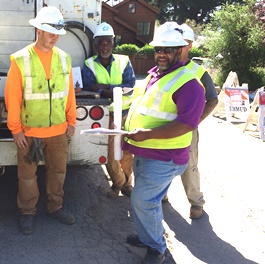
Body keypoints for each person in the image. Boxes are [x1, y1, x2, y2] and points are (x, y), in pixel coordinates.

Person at [124, 23, 205, 264]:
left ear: (181, 51)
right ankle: (150, 236)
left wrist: (146, 134)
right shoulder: (154, 74)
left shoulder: (189, 83)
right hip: (146, 153)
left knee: (143, 201)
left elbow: (186, 124)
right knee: (146, 201)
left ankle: (157, 248)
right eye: (159, 49)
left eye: (168, 50)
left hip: (164, 157)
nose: (161, 54)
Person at [4, 6, 76, 235]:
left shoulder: (64, 59)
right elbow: (12, 98)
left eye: (57, 32)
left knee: (58, 172)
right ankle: (27, 211)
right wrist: (16, 130)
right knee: (27, 175)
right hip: (31, 133)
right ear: (38, 30)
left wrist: (71, 121)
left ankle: (55, 207)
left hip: (58, 132)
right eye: (49, 31)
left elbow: (69, 93)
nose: (54, 36)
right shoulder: (21, 59)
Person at [162, 23, 218, 220]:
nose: (178, 47)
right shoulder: (165, 67)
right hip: (164, 124)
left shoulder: (198, 71)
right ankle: (162, 195)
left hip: (187, 128)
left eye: (184, 43)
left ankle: (196, 202)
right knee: (162, 160)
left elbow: (212, 99)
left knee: (189, 164)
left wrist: (195, 121)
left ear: (190, 45)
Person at [82, 22, 135, 198]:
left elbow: (129, 86)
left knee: (127, 152)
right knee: (111, 152)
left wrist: (104, 88)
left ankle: (127, 185)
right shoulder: (89, 64)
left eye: (108, 42)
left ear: (113, 44)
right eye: (101, 43)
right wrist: (114, 89)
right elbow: (89, 86)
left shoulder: (123, 61)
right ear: (95, 45)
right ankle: (118, 183)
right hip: (107, 114)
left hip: (126, 113)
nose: (105, 46)